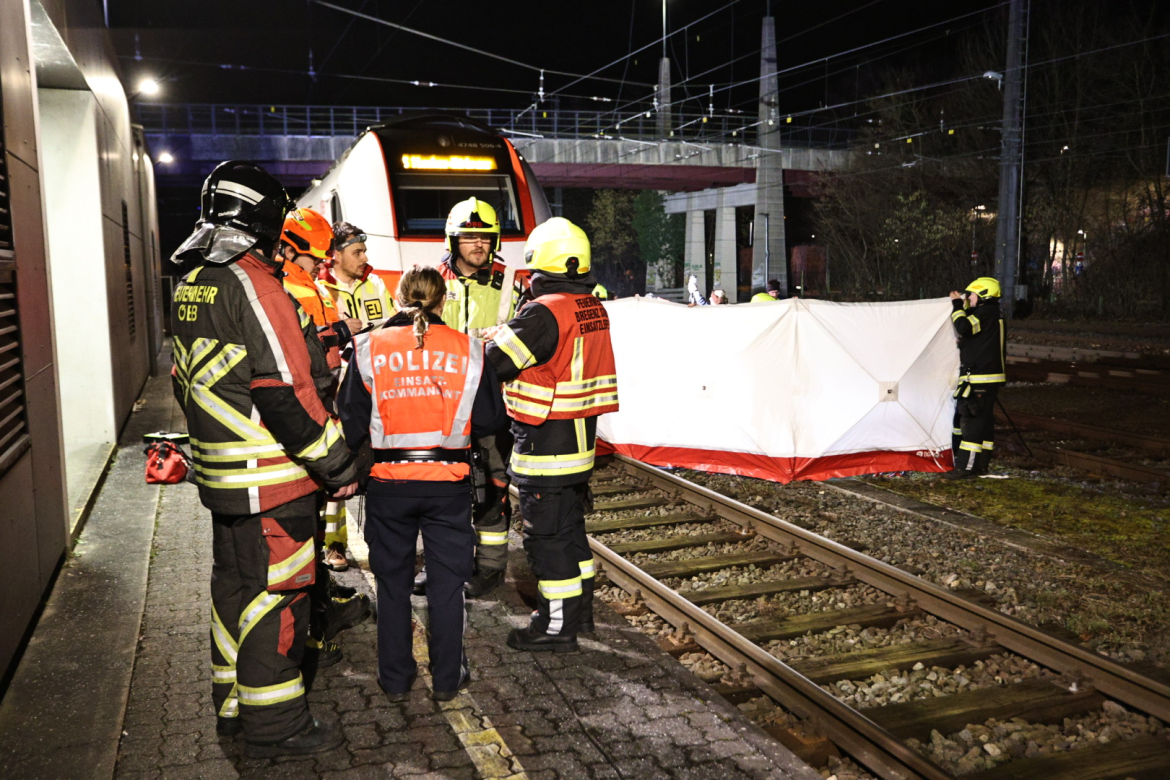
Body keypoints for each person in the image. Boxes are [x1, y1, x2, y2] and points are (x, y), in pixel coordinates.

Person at [169, 161, 357, 758]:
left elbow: (184, 377)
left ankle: (232, 706)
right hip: (272, 479)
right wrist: (339, 465)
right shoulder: (254, 282)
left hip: (223, 474)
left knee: (234, 589)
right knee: (277, 596)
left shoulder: (195, 280)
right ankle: (276, 726)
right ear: (264, 219)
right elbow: (286, 391)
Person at [338, 265, 507, 701]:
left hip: (388, 485)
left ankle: (395, 681)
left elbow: (351, 423)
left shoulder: (367, 347)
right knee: (446, 587)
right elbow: (490, 420)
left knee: (392, 585)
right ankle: (448, 680)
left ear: (398, 299)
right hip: (448, 485)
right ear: (442, 300)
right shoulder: (470, 350)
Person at [485, 217, 619, 653]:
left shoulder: (544, 312)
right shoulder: (591, 306)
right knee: (571, 533)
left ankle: (555, 626)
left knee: (546, 540)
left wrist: (494, 337)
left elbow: (496, 363)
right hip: (579, 444)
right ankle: (580, 614)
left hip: (546, 445)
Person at [277, 208, 371, 663]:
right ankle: (311, 625)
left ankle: (319, 600)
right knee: (306, 521)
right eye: (315, 257)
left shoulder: (304, 282)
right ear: (293, 249)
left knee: (316, 516)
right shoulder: (289, 286)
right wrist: (340, 330)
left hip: (325, 401)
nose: (321, 264)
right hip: (311, 408)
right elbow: (303, 347)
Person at [414, 198, 520, 599]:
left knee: (491, 489)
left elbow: (518, 337)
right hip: (439, 406)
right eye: (469, 236)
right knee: (443, 493)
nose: (478, 244)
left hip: (490, 405)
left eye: (485, 237)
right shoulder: (431, 280)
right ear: (452, 239)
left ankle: (490, 569)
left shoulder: (510, 282)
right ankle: (443, 566)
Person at [946, 276, 1007, 479]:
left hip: (981, 379)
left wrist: (956, 305)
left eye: (971, 294)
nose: (968, 297)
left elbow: (964, 326)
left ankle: (965, 468)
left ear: (982, 295)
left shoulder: (985, 313)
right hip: (985, 378)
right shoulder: (990, 313)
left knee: (972, 424)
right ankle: (980, 465)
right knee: (983, 423)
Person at [317, 222, 396, 329]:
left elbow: (394, 325)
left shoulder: (376, 283)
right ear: (337, 255)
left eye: (364, 252)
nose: (365, 258)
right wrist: (340, 331)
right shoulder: (320, 290)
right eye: (357, 253)